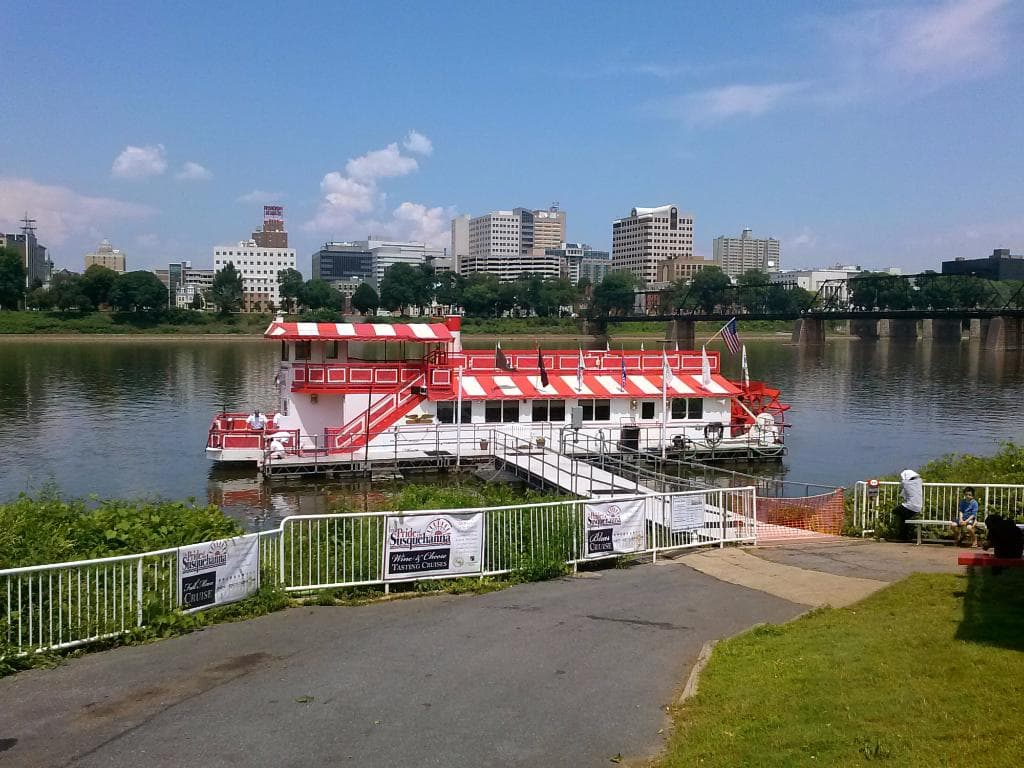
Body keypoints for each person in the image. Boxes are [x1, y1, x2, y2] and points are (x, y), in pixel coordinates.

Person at [892, 468, 923, 542]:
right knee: (904, 519)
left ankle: (902, 536)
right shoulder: (919, 481)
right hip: (918, 506)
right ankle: (903, 536)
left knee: (895, 511)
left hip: (910, 506)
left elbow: (903, 482)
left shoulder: (906, 483)